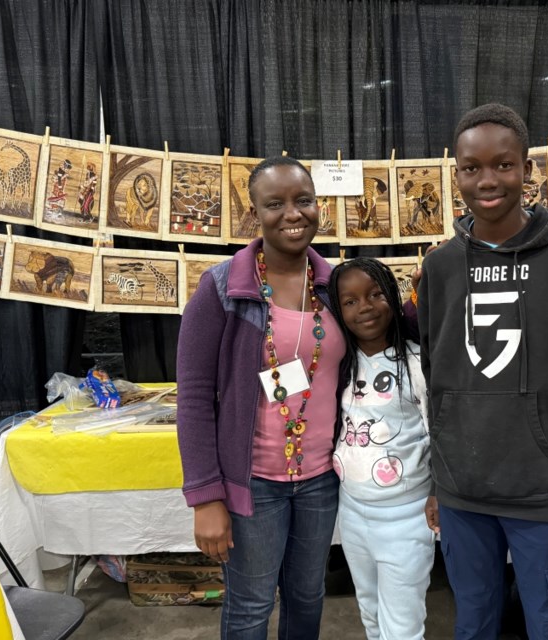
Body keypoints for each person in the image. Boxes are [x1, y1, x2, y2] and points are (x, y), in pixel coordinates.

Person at [416, 103, 548, 640]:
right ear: (454, 173)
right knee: (474, 624)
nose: (487, 179)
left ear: (528, 170)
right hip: (463, 497)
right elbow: (437, 384)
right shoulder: (438, 267)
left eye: (504, 165)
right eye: (471, 167)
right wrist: (439, 481)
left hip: (544, 500)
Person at [176, 157, 346, 640]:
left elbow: (387, 342)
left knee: (308, 597)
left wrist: (424, 296)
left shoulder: (335, 288)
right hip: (253, 483)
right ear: (254, 214)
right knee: (251, 605)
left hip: (320, 481)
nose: (293, 213)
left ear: (319, 207)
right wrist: (205, 497)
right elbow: (192, 399)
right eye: (275, 204)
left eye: (304, 200)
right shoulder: (223, 288)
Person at [327, 257, 433, 640]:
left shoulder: (417, 364)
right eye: (350, 301)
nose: (365, 307)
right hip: (353, 513)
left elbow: (439, 432)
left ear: (393, 296)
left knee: (402, 626)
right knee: (370, 614)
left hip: (406, 519)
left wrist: (438, 491)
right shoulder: (339, 365)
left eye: (375, 294)